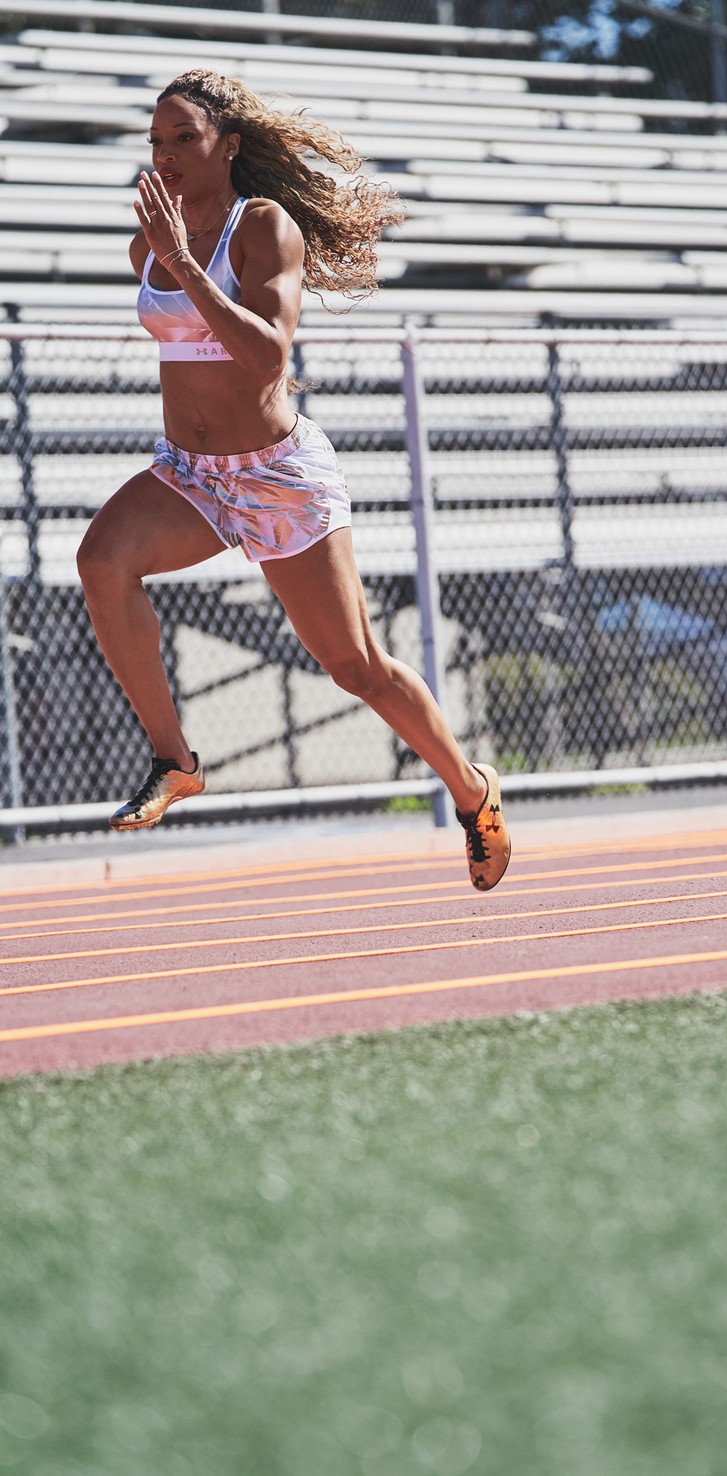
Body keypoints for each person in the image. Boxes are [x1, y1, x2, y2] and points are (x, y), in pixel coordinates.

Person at [75, 69, 511, 892]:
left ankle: (471, 791)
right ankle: (175, 760)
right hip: (191, 475)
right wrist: (167, 256)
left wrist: (186, 267)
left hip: (276, 475)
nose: (164, 156)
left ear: (229, 146)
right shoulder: (149, 241)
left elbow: (269, 357)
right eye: (155, 142)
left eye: (184, 139)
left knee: (354, 666)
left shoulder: (263, 226)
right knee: (101, 562)